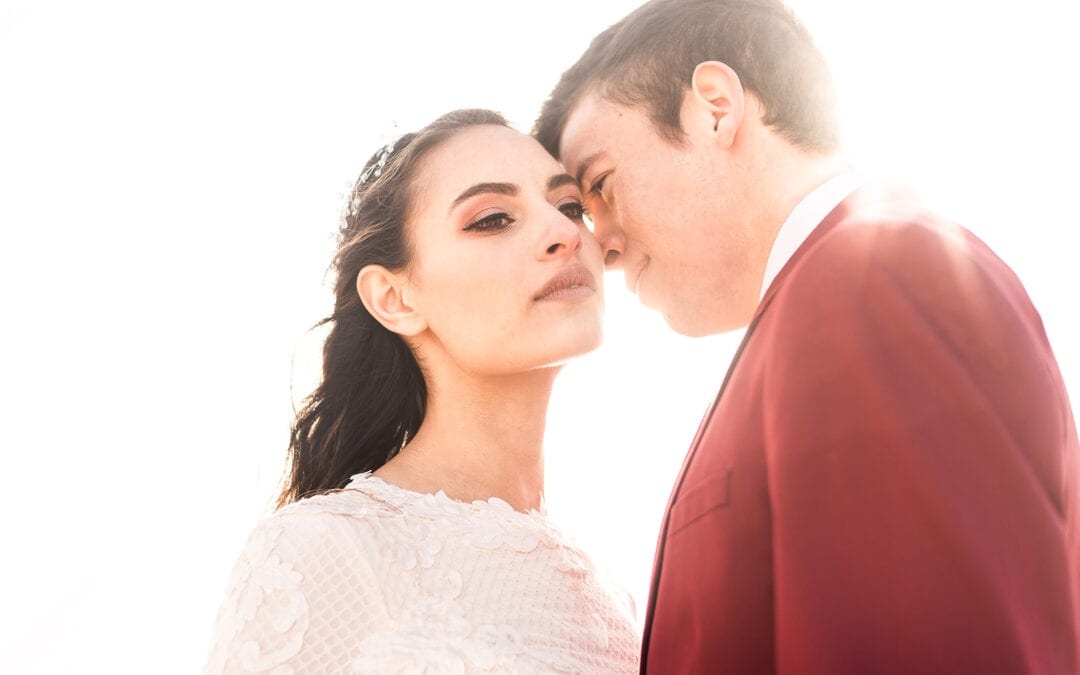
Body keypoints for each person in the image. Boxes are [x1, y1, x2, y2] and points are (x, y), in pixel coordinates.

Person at [534, 0, 1080, 673]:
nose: (601, 247)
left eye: (601, 185)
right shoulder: (828, 299)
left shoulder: (871, 279)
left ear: (714, 107)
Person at [204, 109, 640, 673]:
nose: (565, 234)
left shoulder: (615, 598)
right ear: (394, 298)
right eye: (492, 219)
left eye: (570, 207)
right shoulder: (324, 551)